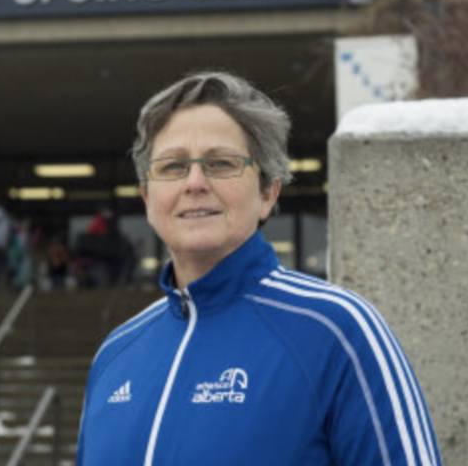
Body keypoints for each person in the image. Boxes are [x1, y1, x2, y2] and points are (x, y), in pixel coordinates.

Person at [76, 72, 443, 466]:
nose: (194, 182)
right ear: (148, 197)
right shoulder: (115, 355)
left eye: (221, 163)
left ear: (268, 192)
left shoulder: (338, 331)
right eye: (172, 166)